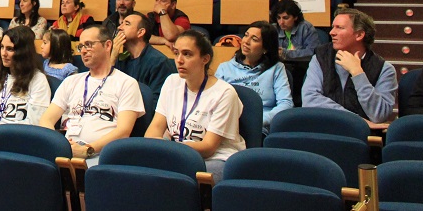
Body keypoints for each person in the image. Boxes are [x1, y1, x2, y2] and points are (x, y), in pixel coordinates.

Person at [146, 30, 246, 182]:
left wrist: (170, 151)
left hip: (215, 158)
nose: (179, 60)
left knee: (174, 177)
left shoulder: (225, 93)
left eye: (187, 54)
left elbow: (208, 147)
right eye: (177, 53)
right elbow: (154, 129)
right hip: (176, 152)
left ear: (205, 59)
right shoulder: (171, 82)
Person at [39, 25, 144, 165]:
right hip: (66, 152)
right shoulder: (71, 81)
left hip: (102, 156)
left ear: (107, 45)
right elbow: (46, 120)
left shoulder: (126, 83)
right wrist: (60, 146)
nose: (83, 51)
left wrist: (88, 149)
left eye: (88, 45)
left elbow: (124, 131)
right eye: (81, 46)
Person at [302, 8, 397, 123]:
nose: (331, 32)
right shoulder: (320, 57)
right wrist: (355, 120)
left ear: (359, 35)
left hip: (362, 136)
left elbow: (379, 115)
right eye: (333, 27)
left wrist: (358, 73)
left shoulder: (384, 69)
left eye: (339, 28)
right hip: (323, 127)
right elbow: (310, 100)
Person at [0, 26, 52, 137]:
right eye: (2, 47)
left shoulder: (38, 80)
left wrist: (1, 134)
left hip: (20, 140)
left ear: (23, 52)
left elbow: (35, 122)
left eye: (10, 49)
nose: (3, 53)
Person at [215, 21, 293, 134]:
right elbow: (214, 101)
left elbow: (286, 103)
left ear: (265, 48)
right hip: (228, 126)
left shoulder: (276, 69)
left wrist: (260, 120)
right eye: (246, 35)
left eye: (254, 39)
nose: (246, 41)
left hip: (260, 127)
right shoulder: (224, 68)